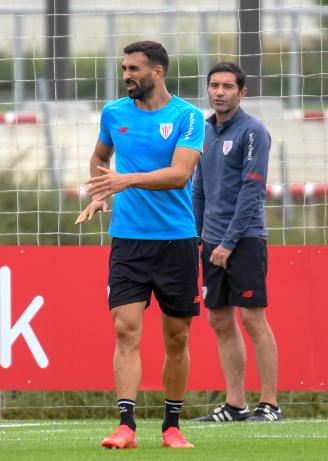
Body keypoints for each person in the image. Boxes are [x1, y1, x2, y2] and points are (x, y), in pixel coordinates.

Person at [75, 41, 204, 448]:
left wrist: (124, 180)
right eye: (124, 68)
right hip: (128, 241)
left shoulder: (187, 115)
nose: (127, 74)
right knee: (125, 329)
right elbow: (99, 157)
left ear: (158, 71)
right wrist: (100, 191)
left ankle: (171, 428)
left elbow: (180, 174)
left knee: (176, 338)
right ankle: (126, 426)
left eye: (134, 68)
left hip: (178, 241)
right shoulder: (114, 113)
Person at [192, 62, 282, 423]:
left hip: (244, 239)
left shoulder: (252, 132)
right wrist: (198, 236)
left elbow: (251, 191)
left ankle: (270, 404)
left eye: (227, 86)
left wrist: (228, 242)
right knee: (218, 319)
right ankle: (235, 404)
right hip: (210, 241)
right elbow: (198, 187)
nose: (219, 92)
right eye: (214, 85)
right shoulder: (202, 130)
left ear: (241, 92)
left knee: (253, 318)